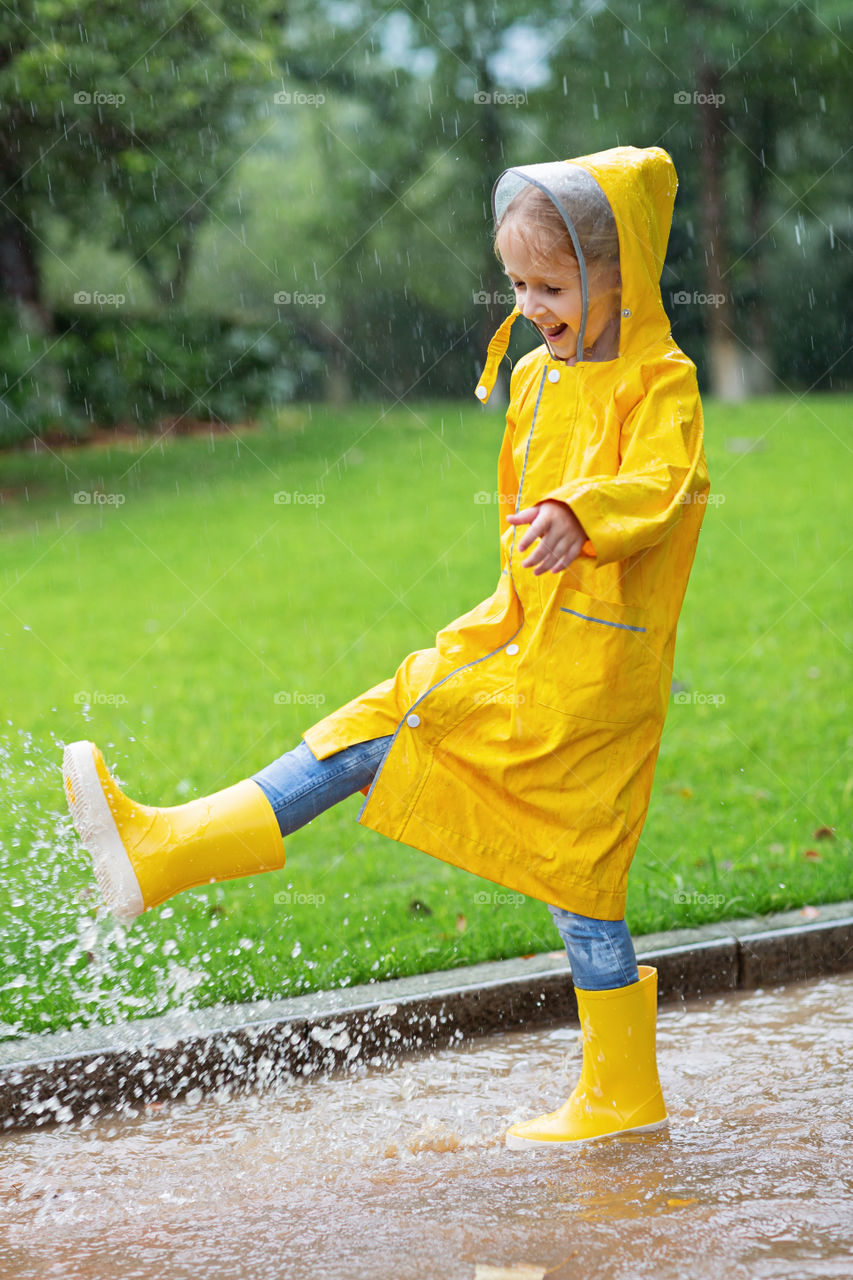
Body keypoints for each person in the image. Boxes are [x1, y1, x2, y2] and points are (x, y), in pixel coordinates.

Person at [63, 143, 710, 1151]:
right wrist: (535, 544)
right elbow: (517, 526)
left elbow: (662, 483)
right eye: (516, 284)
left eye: (552, 284)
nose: (532, 303)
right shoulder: (539, 378)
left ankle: (169, 850)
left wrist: (578, 513)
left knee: (496, 804)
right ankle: (622, 1089)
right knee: (566, 865)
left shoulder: (659, 380)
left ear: (620, 269)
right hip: (516, 640)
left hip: (592, 674)